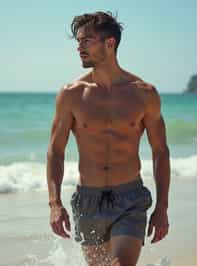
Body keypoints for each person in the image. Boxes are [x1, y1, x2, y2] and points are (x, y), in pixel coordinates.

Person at [47, 11, 170, 266]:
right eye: (78, 41)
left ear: (110, 43)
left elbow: (160, 151)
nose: (79, 47)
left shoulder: (144, 94)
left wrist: (162, 207)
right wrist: (55, 203)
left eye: (86, 41)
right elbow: (55, 152)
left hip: (130, 199)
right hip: (88, 200)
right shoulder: (71, 95)